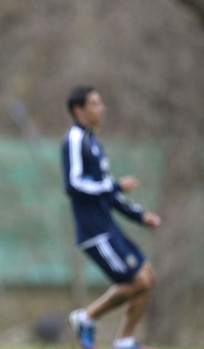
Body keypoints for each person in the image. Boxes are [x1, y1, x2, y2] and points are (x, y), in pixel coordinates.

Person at [61, 85, 161, 349]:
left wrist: (140, 216)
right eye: (95, 104)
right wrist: (115, 185)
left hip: (108, 225)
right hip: (94, 231)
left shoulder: (94, 143)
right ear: (78, 110)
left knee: (148, 278)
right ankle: (86, 317)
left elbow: (106, 193)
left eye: (100, 103)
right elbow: (74, 185)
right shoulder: (74, 139)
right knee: (137, 281)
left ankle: (125, 341)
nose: (101, 108)